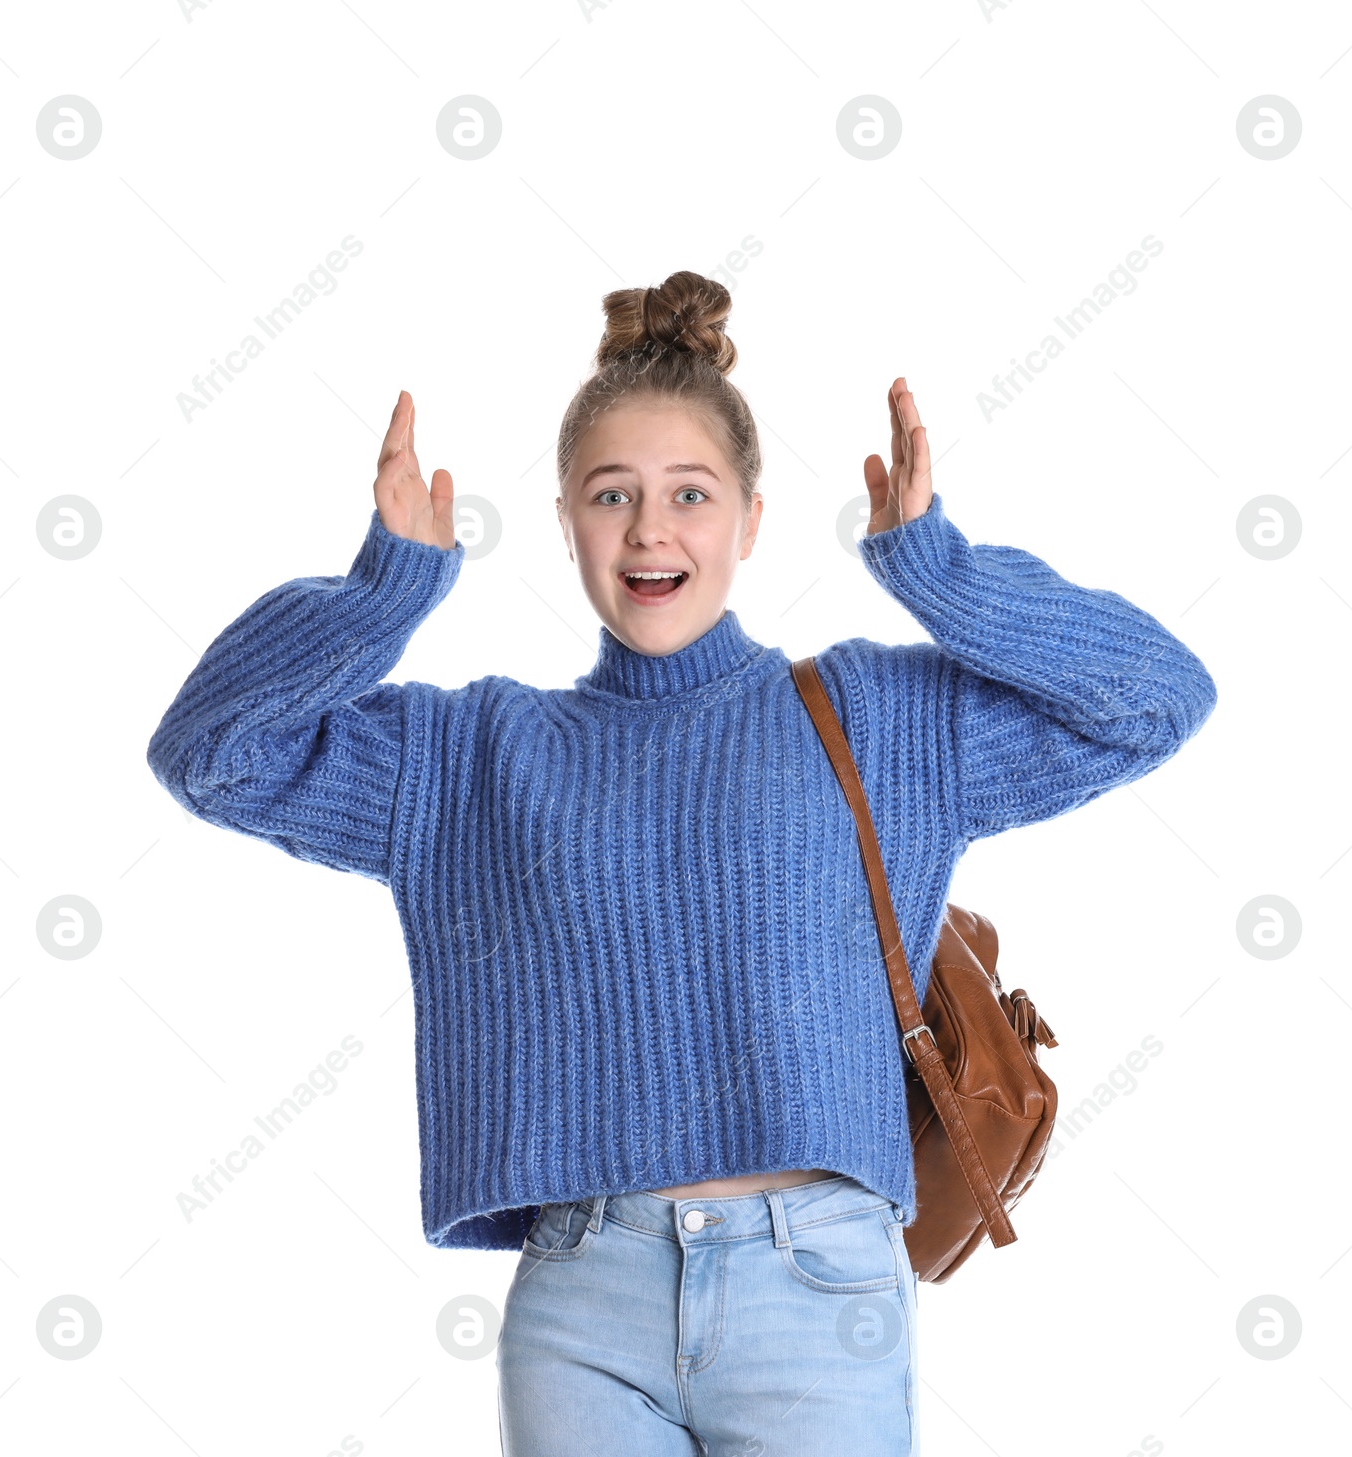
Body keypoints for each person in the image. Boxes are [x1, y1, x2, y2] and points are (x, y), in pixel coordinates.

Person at [146, 269, 1217, 1455]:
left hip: (819, 1287)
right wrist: (377, 596)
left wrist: (940, 569)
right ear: (564, 522)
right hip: (582, 1302)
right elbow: (211, 754)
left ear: (750, 519)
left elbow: (1156, 698)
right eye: (611, 495)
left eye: (689, 494)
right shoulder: (470, 753)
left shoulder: (878, 717)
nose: (650, 528)